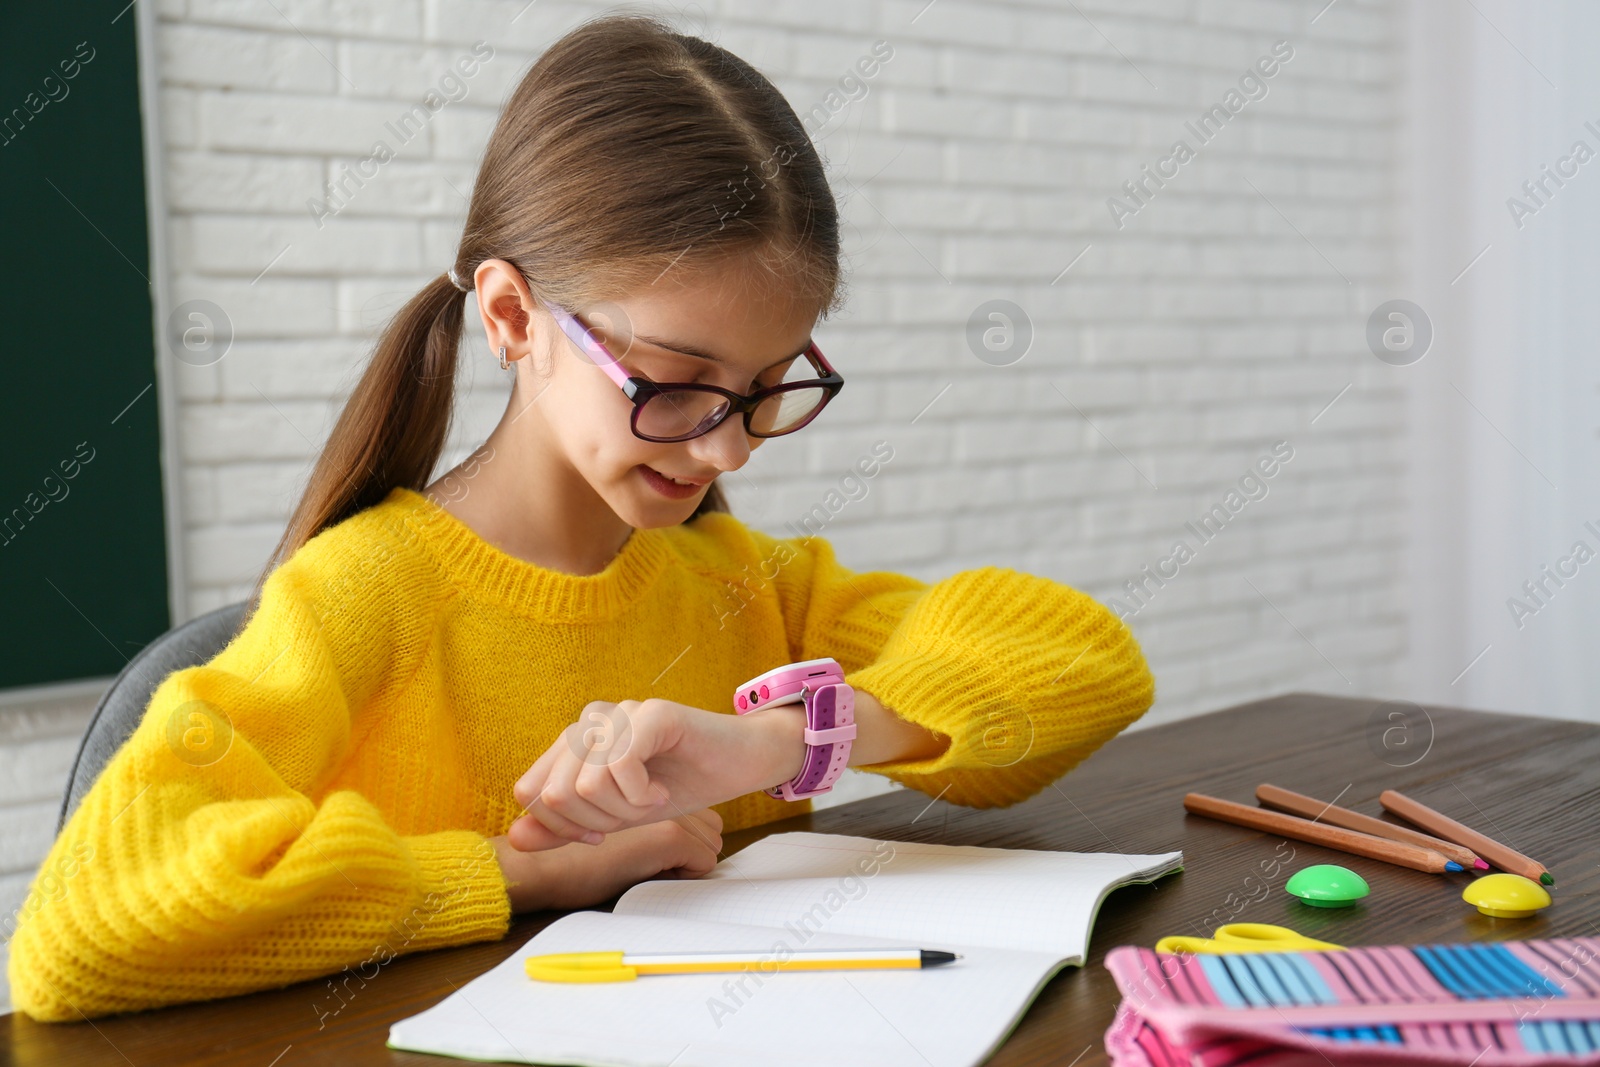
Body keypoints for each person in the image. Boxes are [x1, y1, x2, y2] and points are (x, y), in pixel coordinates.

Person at [7, 13, 1155, 1022]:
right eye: (674, 381)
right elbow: (87, 925)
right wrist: (515, 871)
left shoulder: (741, 578)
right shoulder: (363, 595)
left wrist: (782, 743)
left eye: (767, 386)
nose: (726, 446)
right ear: (511, 314)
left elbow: (1085, 657)